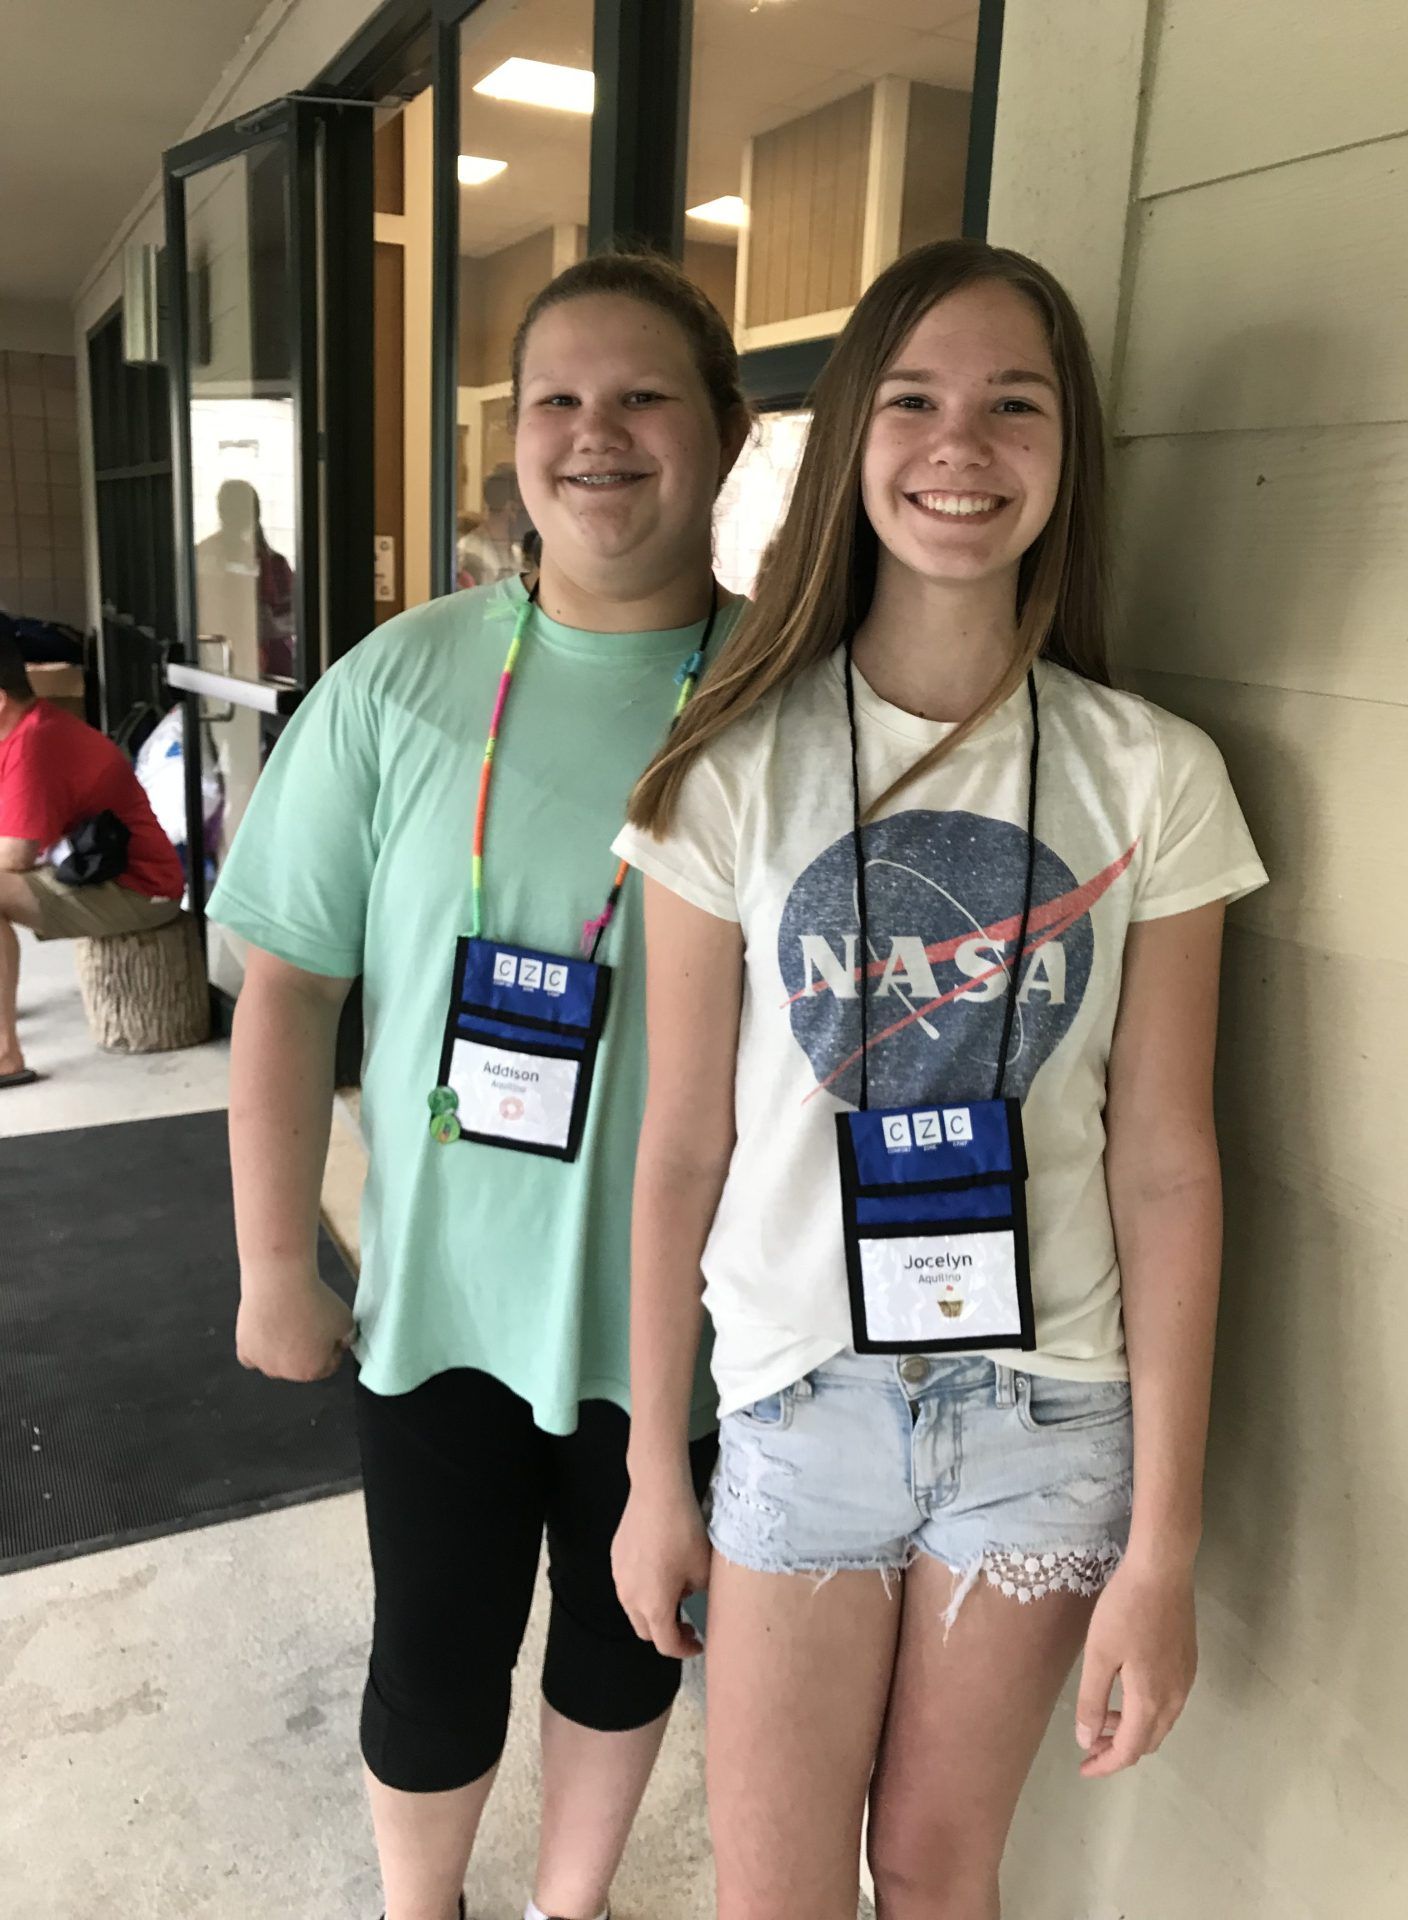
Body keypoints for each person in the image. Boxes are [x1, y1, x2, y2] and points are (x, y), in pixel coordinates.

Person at [611, 238, 1269, 1920]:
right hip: (799, 1399)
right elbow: (678, 1149)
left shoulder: (1155, 776)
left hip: (1049, 1419)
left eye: (1013, 405)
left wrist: (1166, 1547)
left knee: (933, 1870)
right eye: (912, 400)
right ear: (851, 436)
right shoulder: (729, 773)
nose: (960, 445)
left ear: (1067, 449)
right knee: (774, 1893)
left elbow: (1169, 1163)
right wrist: (652, 1473)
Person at [208, 251, 750, 1920]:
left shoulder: (786, 690)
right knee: (435, 1652)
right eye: (557, 400)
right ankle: (419, 1904)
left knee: (629, 1638)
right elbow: (289, 986)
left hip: (690, 1322)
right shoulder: (402, 680)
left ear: (728, 433)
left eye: (644, 395)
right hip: (440, 1304)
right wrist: (276, 1262)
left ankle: (566, 1904)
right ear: (512, 442)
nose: (598, 433)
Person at [0, 630, 183, 1088]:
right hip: (91, 873)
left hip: (140, 890)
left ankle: (4, 1054)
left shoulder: (35, 742)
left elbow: (14, 856)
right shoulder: (22, 731)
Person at [195, 479, 296, 680]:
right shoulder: (203, 555)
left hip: (265, 665)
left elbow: (291, 618)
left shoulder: (273, 563)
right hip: (221, 658)